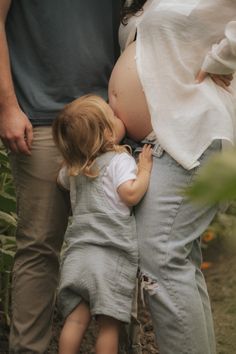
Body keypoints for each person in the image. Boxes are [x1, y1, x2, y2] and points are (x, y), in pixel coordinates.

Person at [108, 0, 236, 353]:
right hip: (157, 144)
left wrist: (222, 59)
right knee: (176, 261)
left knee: (161, 257)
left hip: (191, 137)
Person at [0, 1, 122, 352]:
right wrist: (7, 105)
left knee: (117, 245)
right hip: (38, 118)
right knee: (39, 246)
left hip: (108, 120)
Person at [52, 94, 153, 354]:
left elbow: (60, 179)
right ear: (108, 134)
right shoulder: (119, 161)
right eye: (113, 118)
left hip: (78, 257)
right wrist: (145, 170)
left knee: (75, 321)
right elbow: (130, 194)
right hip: (109, 259)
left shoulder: (72, 171)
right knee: (108, 327)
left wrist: (76, 155)